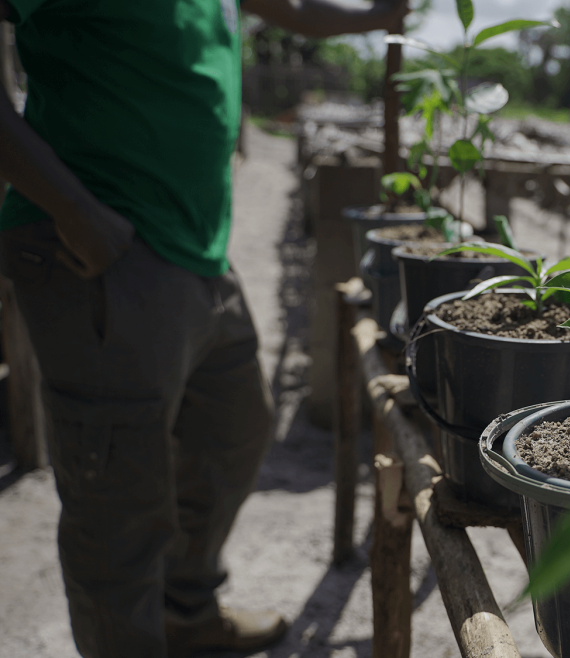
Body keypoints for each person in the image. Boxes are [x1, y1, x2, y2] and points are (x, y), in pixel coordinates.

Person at [0, 1, 406, 656]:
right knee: (118, 503)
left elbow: (296, 9)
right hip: (100, 245)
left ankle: (185, 609)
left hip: (195, 249)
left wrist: (377, 15)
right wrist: (75, 211)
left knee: (234, 428)